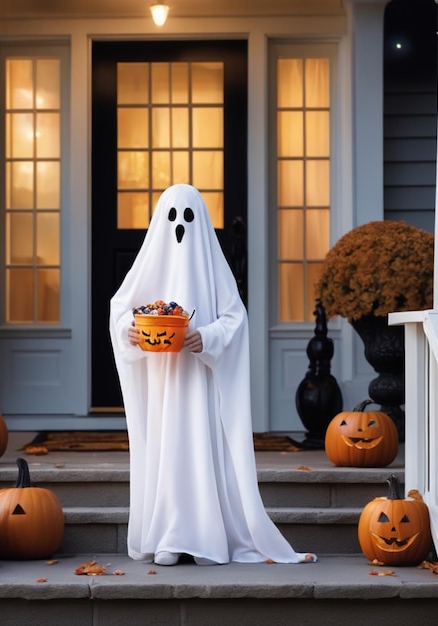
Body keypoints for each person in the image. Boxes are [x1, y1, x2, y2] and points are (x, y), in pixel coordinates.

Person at [109, 183, 316, 566]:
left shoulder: (214, 268)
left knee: (200, 447)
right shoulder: (148, 265)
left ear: (202, 221)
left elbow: (236, 320)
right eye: (171, 217)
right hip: (162, 382)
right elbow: (120, 308)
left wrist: (206, 337)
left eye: (188, 217)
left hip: (200, 382)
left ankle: (207, 535)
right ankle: (168, 535)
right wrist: (129, 331)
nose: (180, 226)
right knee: (167, 449)